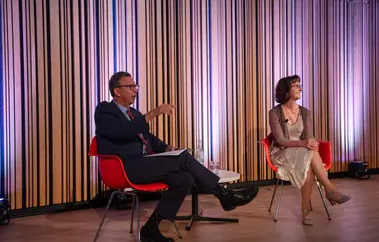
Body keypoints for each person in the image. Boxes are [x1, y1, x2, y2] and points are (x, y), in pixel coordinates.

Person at [94, 71, 258, 242]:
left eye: (136, 86)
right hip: (126, 167)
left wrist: (167, 147)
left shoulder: (133, 113)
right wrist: (153, 113)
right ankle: (223, 194)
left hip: (144, 164)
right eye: (130, 86)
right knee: (182, 158)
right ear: (117, 91)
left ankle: (151, 228)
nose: (135, 90)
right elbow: (121, 132)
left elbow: (148, 139)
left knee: (184, 179)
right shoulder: (105, 110)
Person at [268, 75, 350, 226]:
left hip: (303, 152)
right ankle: (329, 190)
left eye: (300, 85)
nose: (301, 88)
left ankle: (307, 208)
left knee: (307, 158)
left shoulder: (306, 113)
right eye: (296, 85)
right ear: (286, 90)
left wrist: (311, 144)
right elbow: (280, 140)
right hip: (282, 152)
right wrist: (304, 143)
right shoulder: (274, 113)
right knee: (307, 153)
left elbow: (310, 137)